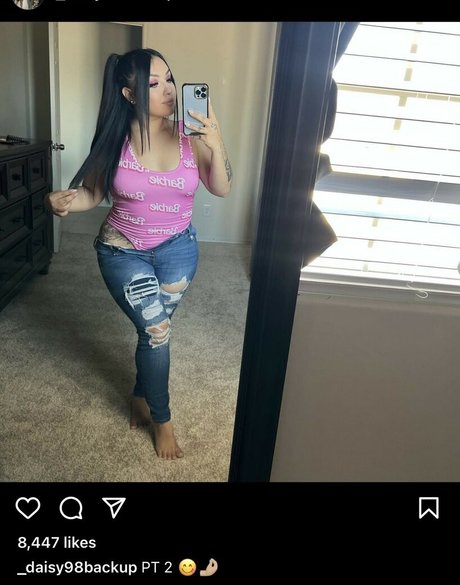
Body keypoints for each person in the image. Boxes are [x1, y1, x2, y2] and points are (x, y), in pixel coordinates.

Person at [45, 48, 233, 459]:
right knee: (157, 331)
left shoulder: (191, 134)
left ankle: (138, 393)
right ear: (129, 94)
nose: (168, 91)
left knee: (152, 334)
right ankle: (163, 421)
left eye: (170, 79)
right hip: (122, 250)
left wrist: (216, 144)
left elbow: (221, 187)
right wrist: (63, 202)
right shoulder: (114, 140)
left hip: (178, 251)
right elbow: (93, 193)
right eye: (153, 84)